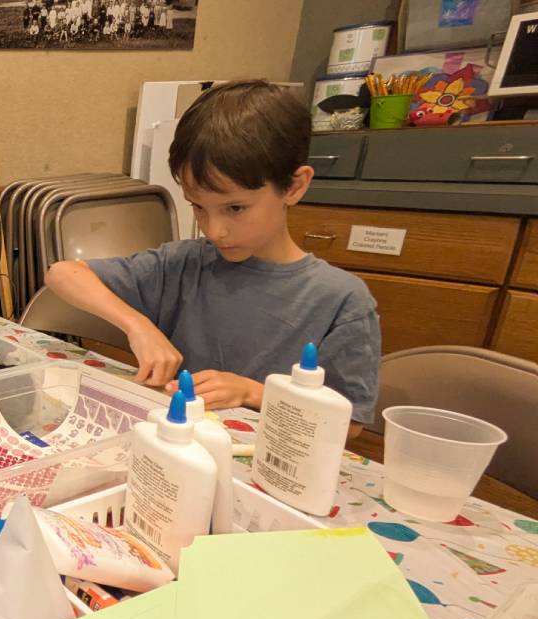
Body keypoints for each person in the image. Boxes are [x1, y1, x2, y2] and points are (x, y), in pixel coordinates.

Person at [45, 81, 380, 435]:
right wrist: (138, 327)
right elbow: (62, 273)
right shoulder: (183, 264)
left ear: (295, 186)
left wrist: (252, 393)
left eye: (235, 208)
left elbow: (350, 422)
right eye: (199, 208)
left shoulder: (342, 299)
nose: (214, 230)